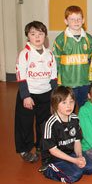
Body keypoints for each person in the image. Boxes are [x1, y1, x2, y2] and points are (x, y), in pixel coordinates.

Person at [15, 21, 57, 163]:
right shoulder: (25, 54)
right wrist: (25, 96)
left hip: (45, 94)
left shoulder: (50, 54)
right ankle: (24, 149)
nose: (37, 37)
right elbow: (21, 77)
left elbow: (53, 77)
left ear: (45, 35)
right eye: (33, 34)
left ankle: (41, 145)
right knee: (25, 123)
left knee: (44, 123)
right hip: (28, 93)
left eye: (40, 33)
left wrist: (54, 95)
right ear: (28, 36)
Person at [42, 86, 92, 183]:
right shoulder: (50, 123)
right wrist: (74, 161)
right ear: (55, 104)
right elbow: (53, 151)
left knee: (91, 168)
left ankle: (71, 165)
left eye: (71, 102)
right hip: (56, 158)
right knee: (74, 176)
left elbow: (77, 141)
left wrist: (79, 156)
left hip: (72, 153)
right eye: (64, 102)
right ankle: (49, 169)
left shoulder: (75, 119)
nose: (69, 106)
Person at [53, 6, 92, 107]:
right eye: (72, 19)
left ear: (83, 20)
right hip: (67, 83)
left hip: (85, 82)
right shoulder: (61, 39)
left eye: (79, 19)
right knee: (68, 108)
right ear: (66, 21)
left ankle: (82, 123)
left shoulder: (88, 39)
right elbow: (55, 62)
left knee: (84, 108)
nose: (76, 22)